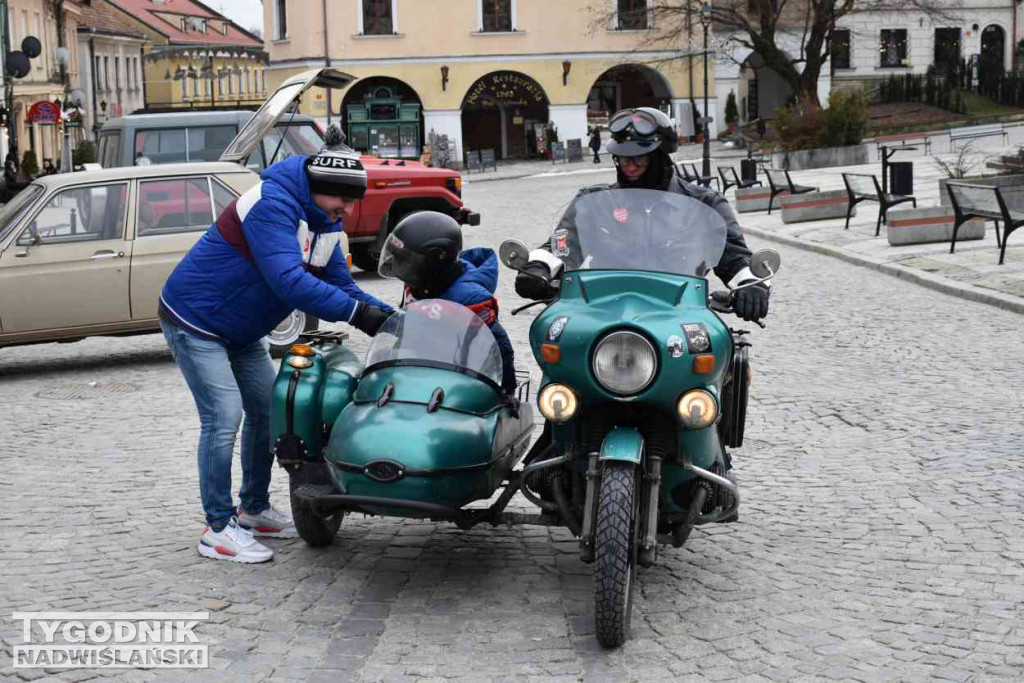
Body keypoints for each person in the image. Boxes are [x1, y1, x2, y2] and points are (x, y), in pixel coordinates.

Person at [159, 148, 393, 563]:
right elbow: (288, 281)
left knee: (269, 412)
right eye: (344, 199)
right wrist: (359, 315)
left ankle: (253, 510)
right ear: (320, 189)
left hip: (242, 329)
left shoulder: (324, 224)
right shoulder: (271, 204)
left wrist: (392, 318)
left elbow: (346, 288)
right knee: (223, 417)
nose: (348, 209)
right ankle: (216, 528)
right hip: (196, 319)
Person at [515, 106, 769, 324]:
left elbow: (735, 259)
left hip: (681, 316)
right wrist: (539, 267)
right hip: (604, 314)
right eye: (622, 158)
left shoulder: (705, 205)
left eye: (639, 158)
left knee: (724, 361)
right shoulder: (594, 203)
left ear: (660, 156)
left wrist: (752, 285)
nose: (629, 165)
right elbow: (561, 244)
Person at [378, 211, 518, 394]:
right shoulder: (420, 283)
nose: (400, 268)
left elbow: (499, 346)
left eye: (407, 261)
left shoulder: (470, 298)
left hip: (460, 383)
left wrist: (505, 391)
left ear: (435, 260)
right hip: (419, 375)